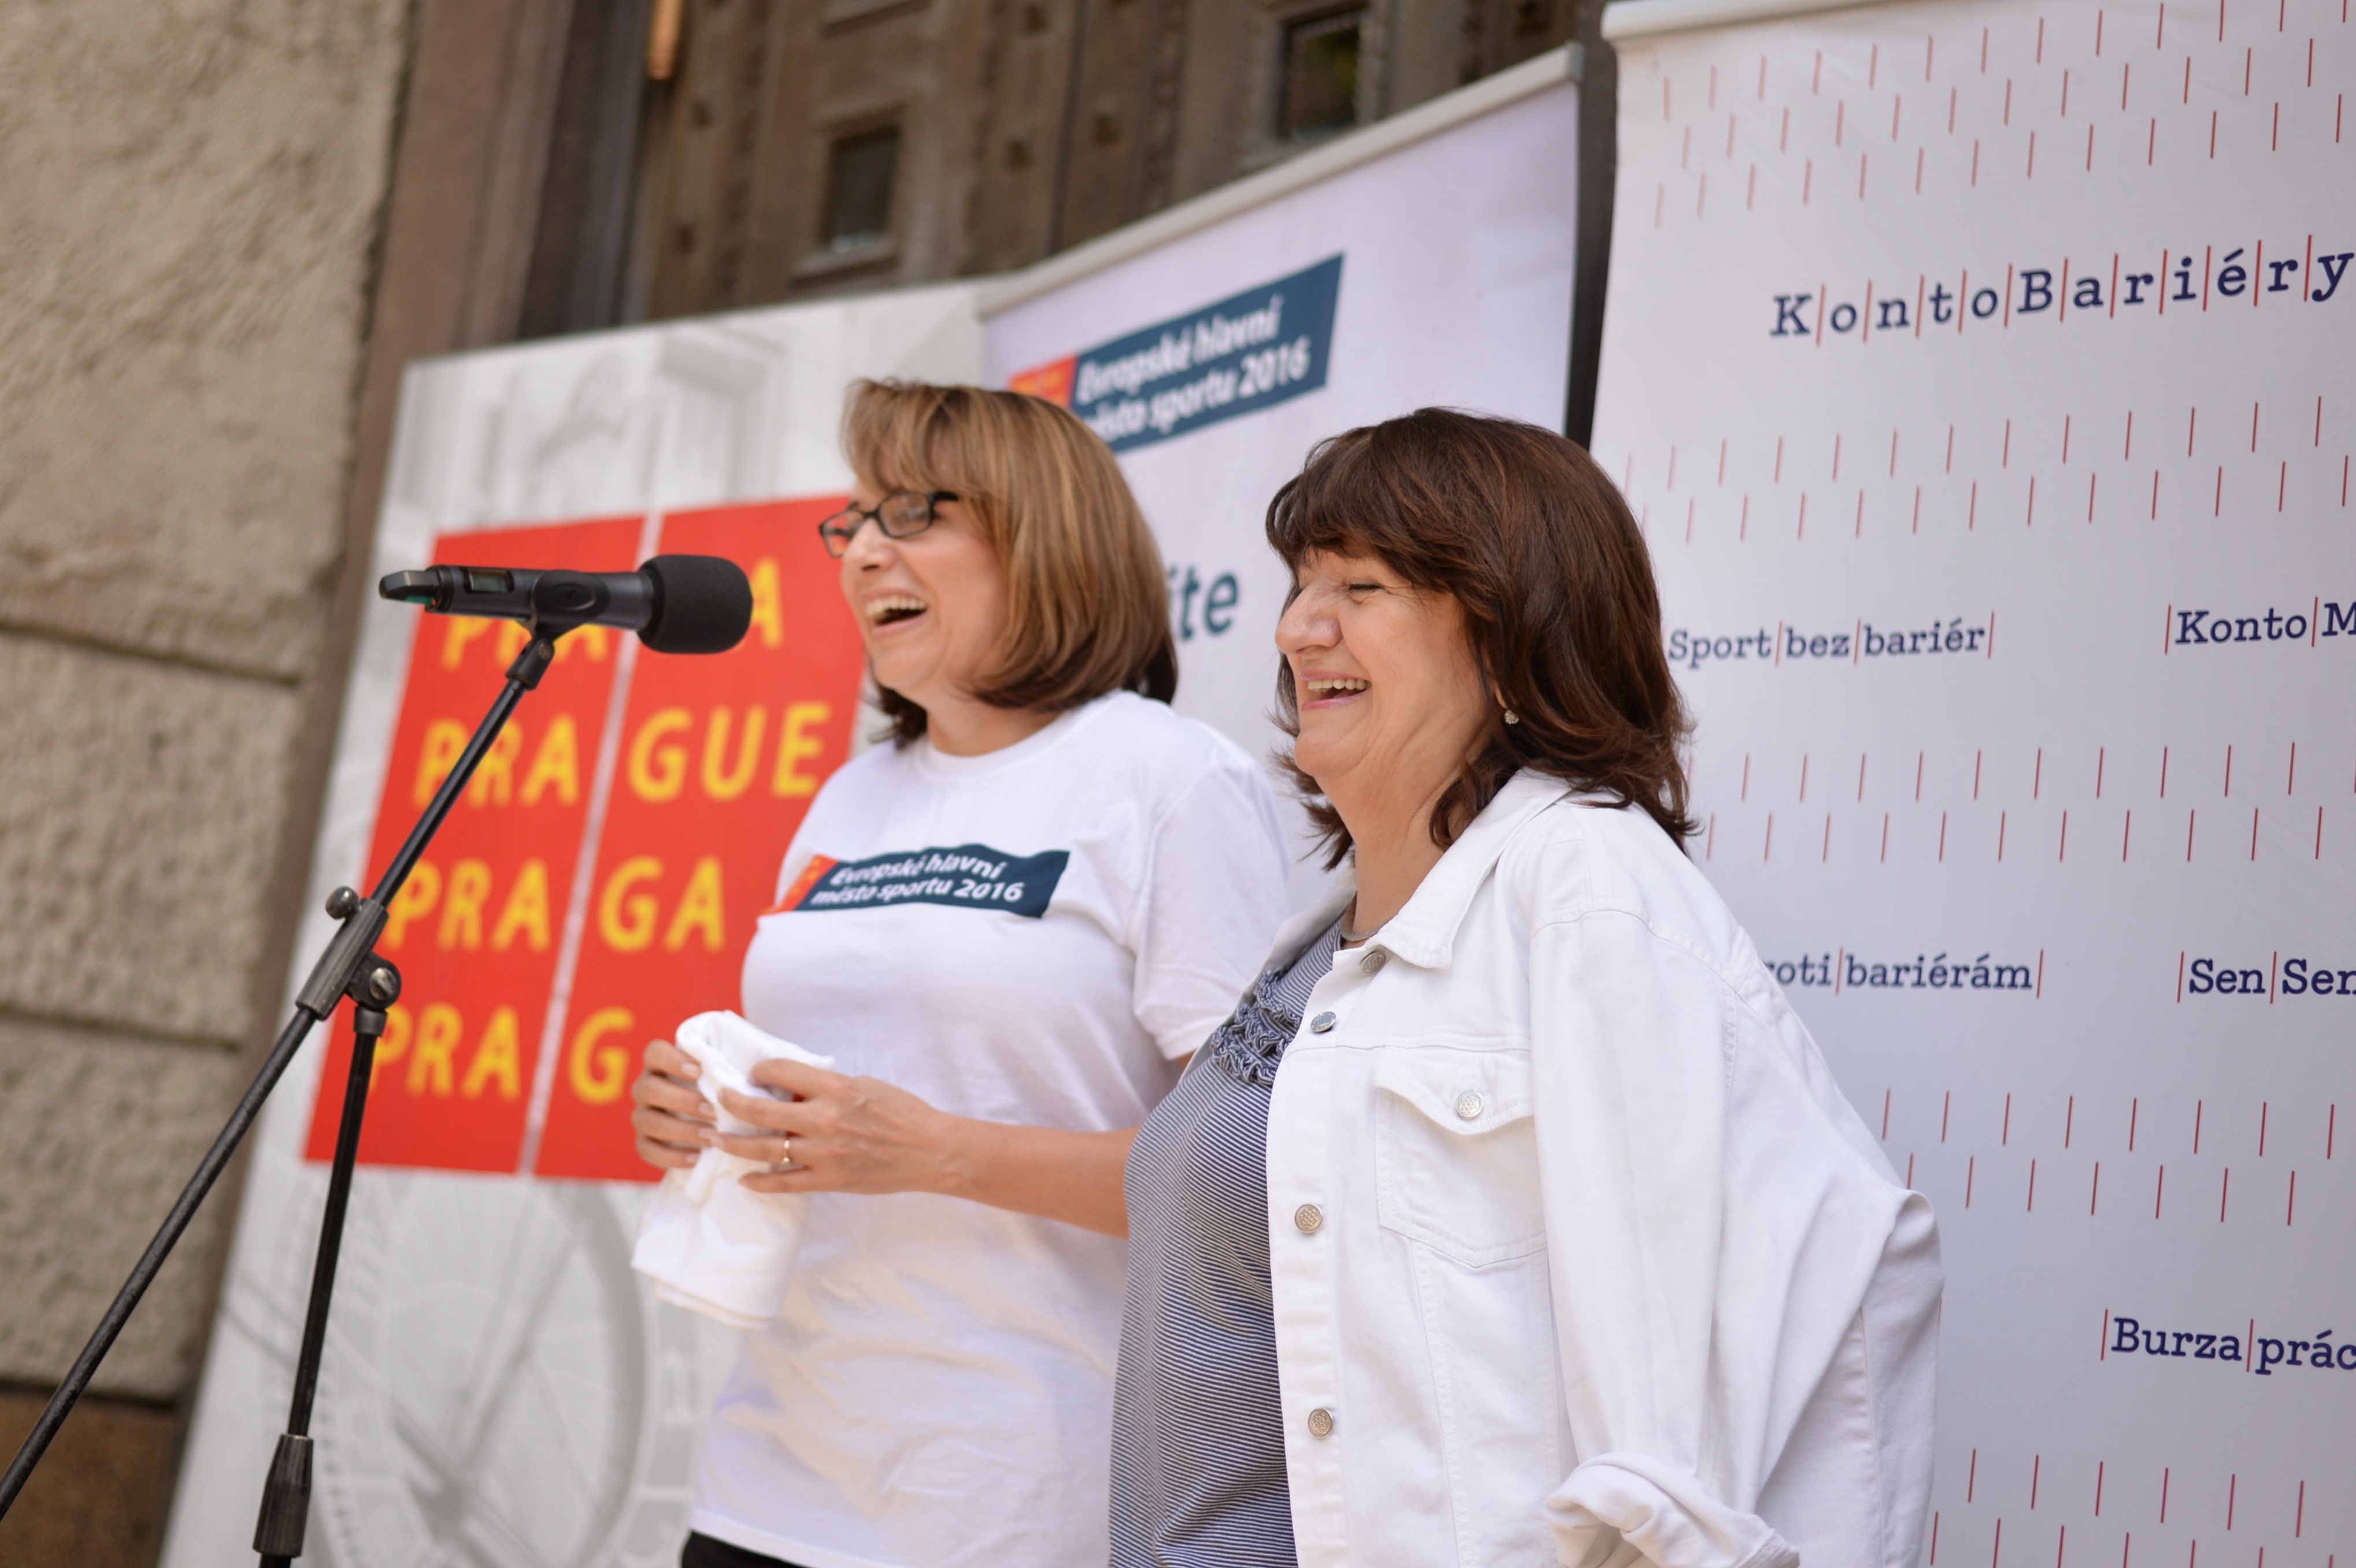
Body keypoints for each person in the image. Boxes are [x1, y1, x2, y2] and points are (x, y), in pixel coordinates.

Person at [1112, 408, 1942, 1568]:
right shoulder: (1319, 944)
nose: (1299, 626)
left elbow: (1671, 1462)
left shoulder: (1588, 890)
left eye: (1360, 586)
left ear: (1510, 639)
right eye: (1302, 584)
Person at [629, 380, 1291, 1568]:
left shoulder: (1169, 779)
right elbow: (839, 1091)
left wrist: (941, 1153)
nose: (862, 551)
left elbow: (1250, 1177)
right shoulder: (854, 794)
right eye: (854, 522)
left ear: (1043, 537)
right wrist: (701, 1113)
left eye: (912, 513)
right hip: (771, 1478)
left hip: (1018, 1500)